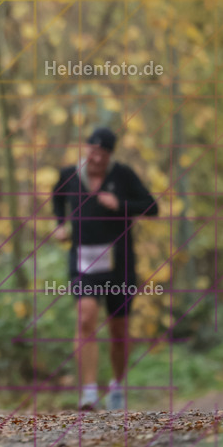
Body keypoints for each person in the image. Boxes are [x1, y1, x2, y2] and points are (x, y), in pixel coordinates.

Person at [52, 127, 158, 411]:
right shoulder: (69, 174)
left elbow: (152, 207)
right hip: (84, 259)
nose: (96, 158)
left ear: (110, 154)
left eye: (102, 153)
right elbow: (57, 197)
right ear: (85, 148)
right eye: (92, 151)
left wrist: (121, 205)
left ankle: (117, 385)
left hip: (120, 262)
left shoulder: (123, 175)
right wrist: (60, 224)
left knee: (118, 329)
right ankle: (88, 392)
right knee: (85, 318)